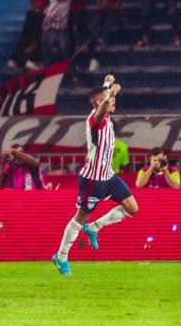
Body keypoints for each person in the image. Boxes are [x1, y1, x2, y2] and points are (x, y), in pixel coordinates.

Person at [52, 74, 139, 275]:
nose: (114, 100)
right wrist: (109, 93)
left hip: (108, 175)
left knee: (132, 208)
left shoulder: (107, 118)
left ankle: (95, 227)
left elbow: (101, 102)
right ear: (100, 102)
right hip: (94, 179)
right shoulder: (95, 119)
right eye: (110, 98)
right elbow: (99, 110)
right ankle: (61, 256)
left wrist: (107, 85)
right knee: (80, 217)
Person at [6, 0, 57, 72]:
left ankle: (13, 61)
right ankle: (33, 61)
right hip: (40, 14)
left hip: (32, 13)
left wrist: (35, 2)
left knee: (25, 37)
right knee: (40, 39)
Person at [90, 0, 124, 71]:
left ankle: (103, 38)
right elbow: (98, 3)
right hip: (102, 11)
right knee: (97, 19)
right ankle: (94, 37)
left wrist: (108, 6)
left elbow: (117, 6)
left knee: (109, 19)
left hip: (113, 11)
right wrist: (101, 3)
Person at [39, 0, 72, 68]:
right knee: (48, 49)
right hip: (51, 22)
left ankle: (69, 71)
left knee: (61, 49)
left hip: (57, 22)